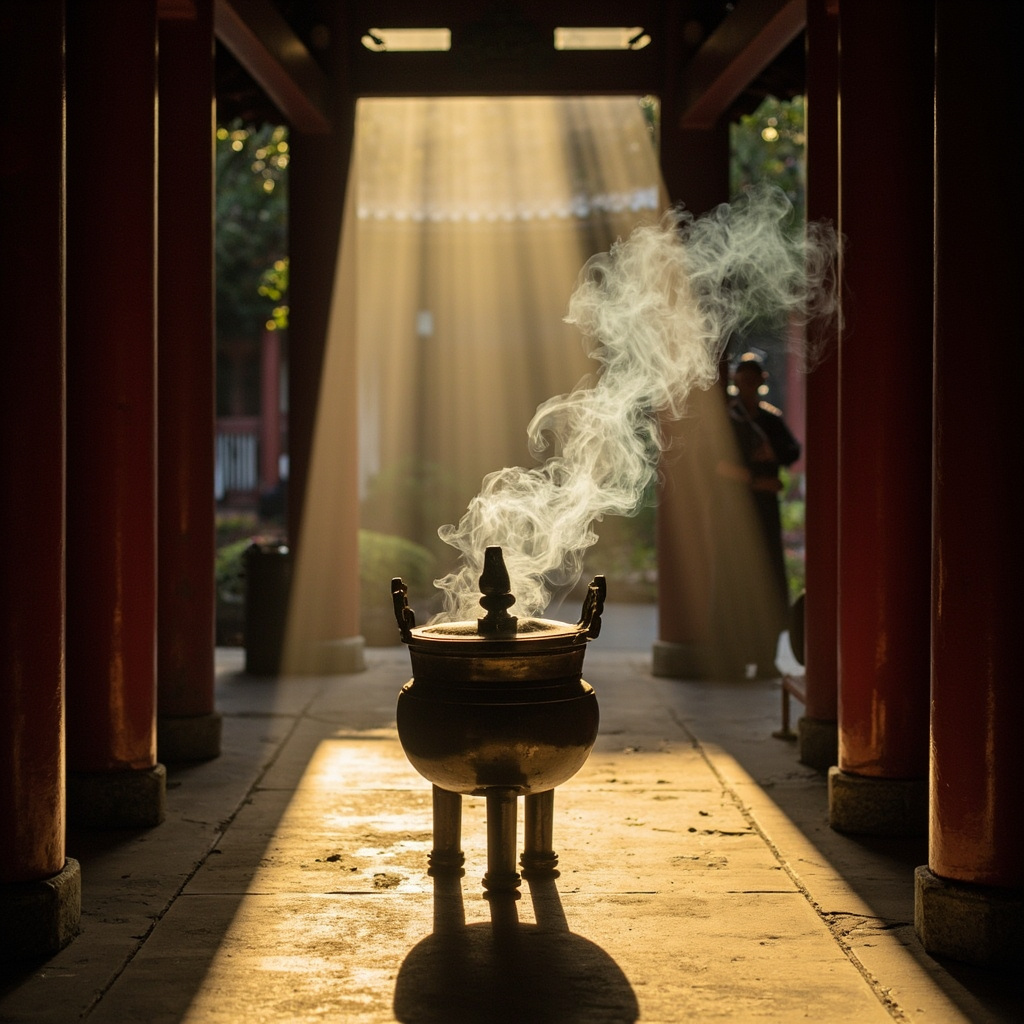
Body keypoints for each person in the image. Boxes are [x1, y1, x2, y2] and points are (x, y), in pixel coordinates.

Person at [720, 353, 801, 677]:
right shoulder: (728, 420)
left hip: (765, 512)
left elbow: (792, 450)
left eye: (753, 380)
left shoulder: (769, 419)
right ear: (736, 382)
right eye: (743, 380)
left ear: (762, 382)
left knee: (768, 579)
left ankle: (767, 658)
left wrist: (773, 454)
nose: (748, 386)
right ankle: (735, 658)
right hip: (736, 511)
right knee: (737, 581)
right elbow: (717, 465)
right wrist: (756, 480)